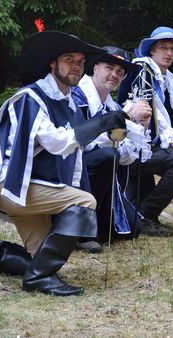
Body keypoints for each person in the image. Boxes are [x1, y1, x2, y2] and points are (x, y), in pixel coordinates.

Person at [0, 30, 128, 296]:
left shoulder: (69, 104)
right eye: (69, 59)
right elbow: (57, 142)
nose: (76, 66)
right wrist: (100, 123)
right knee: (84, 202)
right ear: (52, 63)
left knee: (40, 260)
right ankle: (38, 280)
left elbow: (75, 150)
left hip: (37, 188)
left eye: (81, 61)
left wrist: (112, 128)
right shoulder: (31, 97)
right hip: (16, 187)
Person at [116, 26, 173, 237]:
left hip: (150, 147)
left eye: (172, 49)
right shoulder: (142, 71)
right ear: (152, 50)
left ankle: (140, 213)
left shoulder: (169, 80)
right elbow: (149, 110)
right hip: (131, 147)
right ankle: (146, 214)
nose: (169, 53)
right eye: (163, 48)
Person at [72, 46, 153, 252]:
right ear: (95, 68)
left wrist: (140, 127)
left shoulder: (114, 107)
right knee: (107, 157)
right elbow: (84, 141)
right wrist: (128, 118)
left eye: (120, 71)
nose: (115, 74)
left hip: (103, 180)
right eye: (109, 67)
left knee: (134, 229)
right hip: (73, 173)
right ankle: (80, 230)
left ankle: (98, 220)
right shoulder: (76, 97)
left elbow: (126, 157)